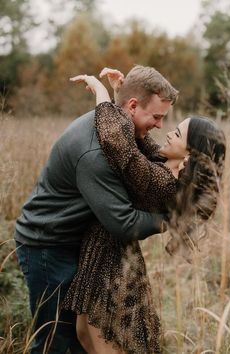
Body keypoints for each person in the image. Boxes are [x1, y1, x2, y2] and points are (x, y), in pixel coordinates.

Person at [14, 65, 178, 354]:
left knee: (76, 342)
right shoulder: (96, 152)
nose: (159, 125)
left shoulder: (118, 132)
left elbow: (146, 164)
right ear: (131, 106)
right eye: (156, 117)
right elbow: (123, 222)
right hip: (47, 246)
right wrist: (174, 221)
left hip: (73, 242)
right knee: (54, 341)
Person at [62, 72, 226, 354]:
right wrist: (120, 99)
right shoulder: (162, 167)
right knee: (85, 336)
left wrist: (100, 94)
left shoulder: (162, 182)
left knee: (103, 344)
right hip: (102, 252)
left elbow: (118, 143)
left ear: (187, 157)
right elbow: (135, 141)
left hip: (110, 261)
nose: (167, 132)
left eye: (176, 134)